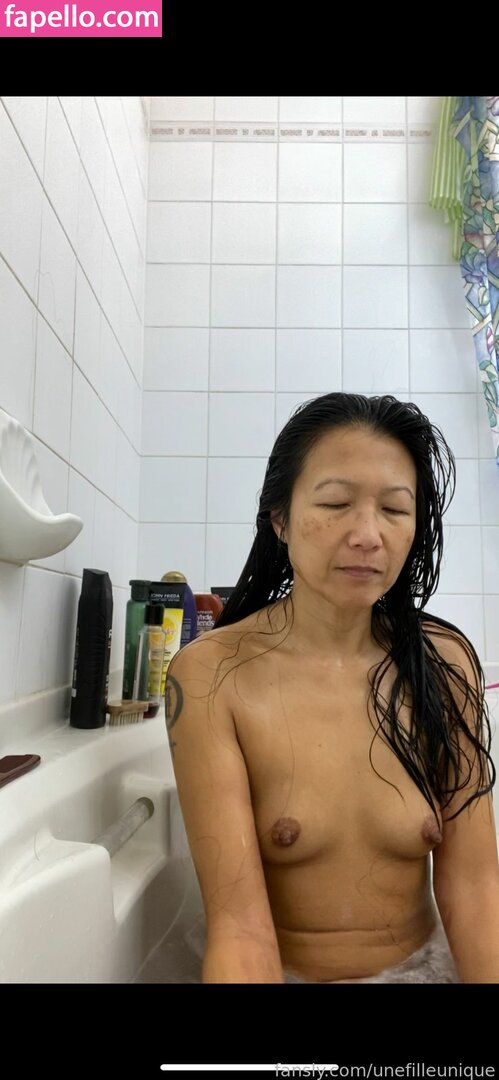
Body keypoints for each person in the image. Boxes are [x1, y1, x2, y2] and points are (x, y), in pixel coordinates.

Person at [164, 392, 499, 983]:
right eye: (336, 503)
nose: (368, 535)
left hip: (426, 970)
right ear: (280, 518)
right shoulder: (213, 676)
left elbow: (474, 890)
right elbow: (240, 930)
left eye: (394, 509)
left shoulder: (443, 665)